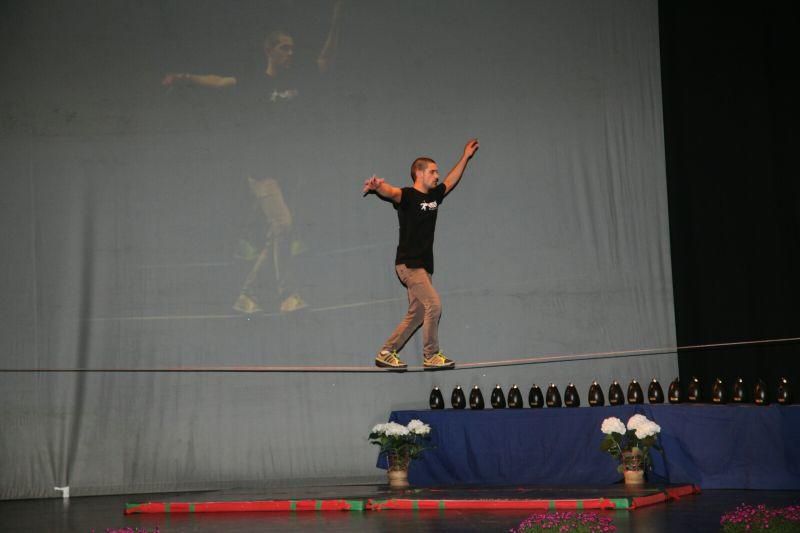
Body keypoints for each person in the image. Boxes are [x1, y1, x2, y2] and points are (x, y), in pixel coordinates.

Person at [162, 1, 343, 314]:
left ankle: (247, 297)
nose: (290, 53)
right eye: (284, 48)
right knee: (284, 225)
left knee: (278, 232)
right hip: (261, 172)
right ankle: (287, 295)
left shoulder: (296, 79)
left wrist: (337, 20)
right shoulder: (254, 82)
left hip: (286, 171)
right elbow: (218, 81)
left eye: (292, 48)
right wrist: (183, 76)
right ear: (269, 50)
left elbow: (325, 58)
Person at [362, 139, 479, 370]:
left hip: (423, 268)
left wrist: (465, 156)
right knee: (434, 304)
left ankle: (386, 352)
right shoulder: (407, 196)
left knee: (417, 314)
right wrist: (378, 187)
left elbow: (450, 181)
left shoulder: (434, 197)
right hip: (409, 265)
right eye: (433, 171)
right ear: (419, 173)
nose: (437, 175)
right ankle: (431, 354)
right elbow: (391, 192)